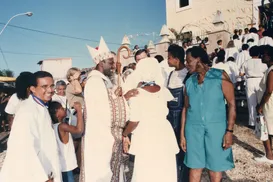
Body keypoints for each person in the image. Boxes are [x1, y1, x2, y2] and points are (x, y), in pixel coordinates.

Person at [181, 47, 235, 182]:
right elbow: (185, 108)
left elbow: (232, 104)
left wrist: (229, 131)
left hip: (216, 128)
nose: (186, 64)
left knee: (215, 167)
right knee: (194, 166)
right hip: (193, 128)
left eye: (189, 61)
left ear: (198, 60)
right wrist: (182, 134)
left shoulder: (220, 75)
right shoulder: (189, 82)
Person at [122, 57, 179, 182]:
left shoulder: (136, 93)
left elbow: (134, 120)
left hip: (147, 134)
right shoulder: (163, 90)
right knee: (164, 169)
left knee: (147, 170)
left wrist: (125, 134)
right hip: (163, 132)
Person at [83, 37, 132, 182]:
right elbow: (105, 111)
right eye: (110, 62)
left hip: (108, 136)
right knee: (102, 173)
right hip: (101, 137)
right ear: (100, 62)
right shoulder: (95, 82)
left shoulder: (103, 81)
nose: (112, 66)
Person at [0, 71, 61, 182]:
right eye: (44, 86)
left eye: (52, 85)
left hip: (46, 168)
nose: (50, 90)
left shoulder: (40, 106)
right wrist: (43, 178)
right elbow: (25, 148)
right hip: (35, 175)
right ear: (32, 88)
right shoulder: (28, 111)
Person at [167, 44, 189, 182]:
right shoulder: (170, 74)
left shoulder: (188, 74)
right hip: (170, 116)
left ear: (176, 59)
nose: (167, 60)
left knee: (184, 148)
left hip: (182, 115)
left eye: (169, 58)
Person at [49, 101, 84, 182]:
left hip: (61, 166)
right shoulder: (62, 126)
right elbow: (79, 130)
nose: (64, 109)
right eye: (61, 108)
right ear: (56, 113)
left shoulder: (53, 126)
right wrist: (78, 110)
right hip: (66, 167)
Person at [240, 46, 267, 127]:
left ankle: (252, 122)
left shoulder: (246, 62)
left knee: (251, 103)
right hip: (260, 81)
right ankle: (263, 121)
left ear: (250, 53)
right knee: (261, 102)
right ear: (259, 53)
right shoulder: (263, 62)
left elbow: (241, 73)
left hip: (250, 81)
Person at [256, 45, 273, 164]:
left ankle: (269, 155)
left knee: (265, 128)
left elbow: (269, 90)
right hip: (269, 102)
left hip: (268, 104)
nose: (262, 57)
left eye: (264, 55)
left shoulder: (271, 70)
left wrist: (260, 105)